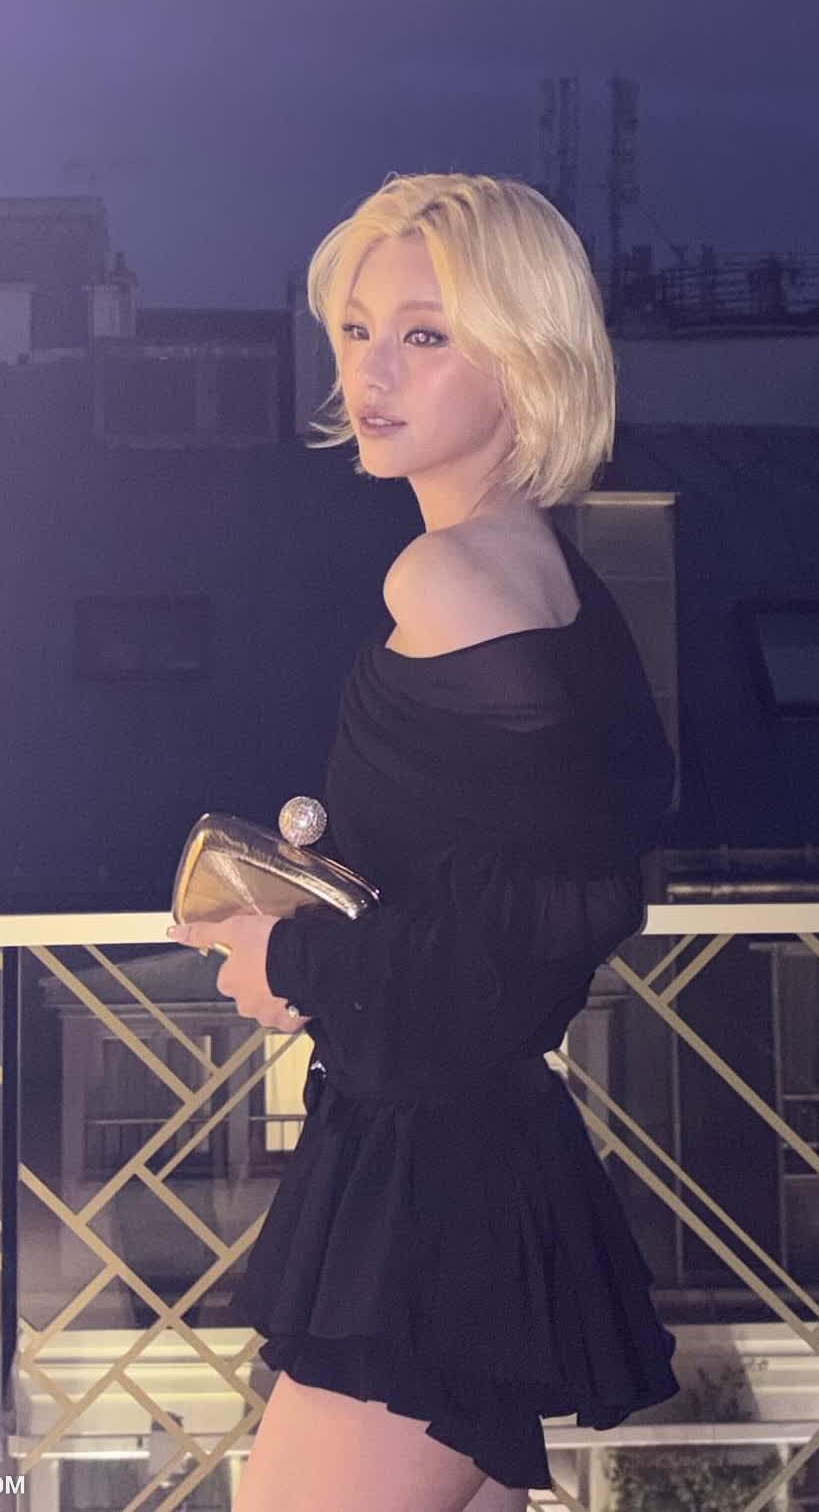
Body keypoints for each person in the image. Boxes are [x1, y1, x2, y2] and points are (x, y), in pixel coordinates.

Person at [169, 172, 679, 1512]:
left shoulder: (448, 578)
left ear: (529, 357)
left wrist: (285, 957)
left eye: (424, 334)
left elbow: (507, 944)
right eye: (355, 330)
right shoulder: (548, 573)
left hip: (427, 1191)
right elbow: (538, 885)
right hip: (473, 1163)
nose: (372, 371)